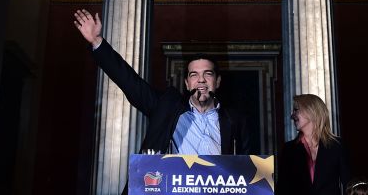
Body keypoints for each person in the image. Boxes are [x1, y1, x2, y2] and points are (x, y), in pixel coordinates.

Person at [72, 9, 250, 157]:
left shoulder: (235, 119)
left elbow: (248, 168)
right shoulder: (166, 106)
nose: (201, 80)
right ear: (187, 83)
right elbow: (130, 82)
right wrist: (97, 41)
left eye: (207, 74)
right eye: (194, 75)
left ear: (217, 81)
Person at [276, 94, 349, 195]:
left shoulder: (336, 146)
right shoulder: (289, 149)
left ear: (311, 111)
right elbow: (283, 188)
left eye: (296, 110)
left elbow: (348, 185)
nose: (292, 116)